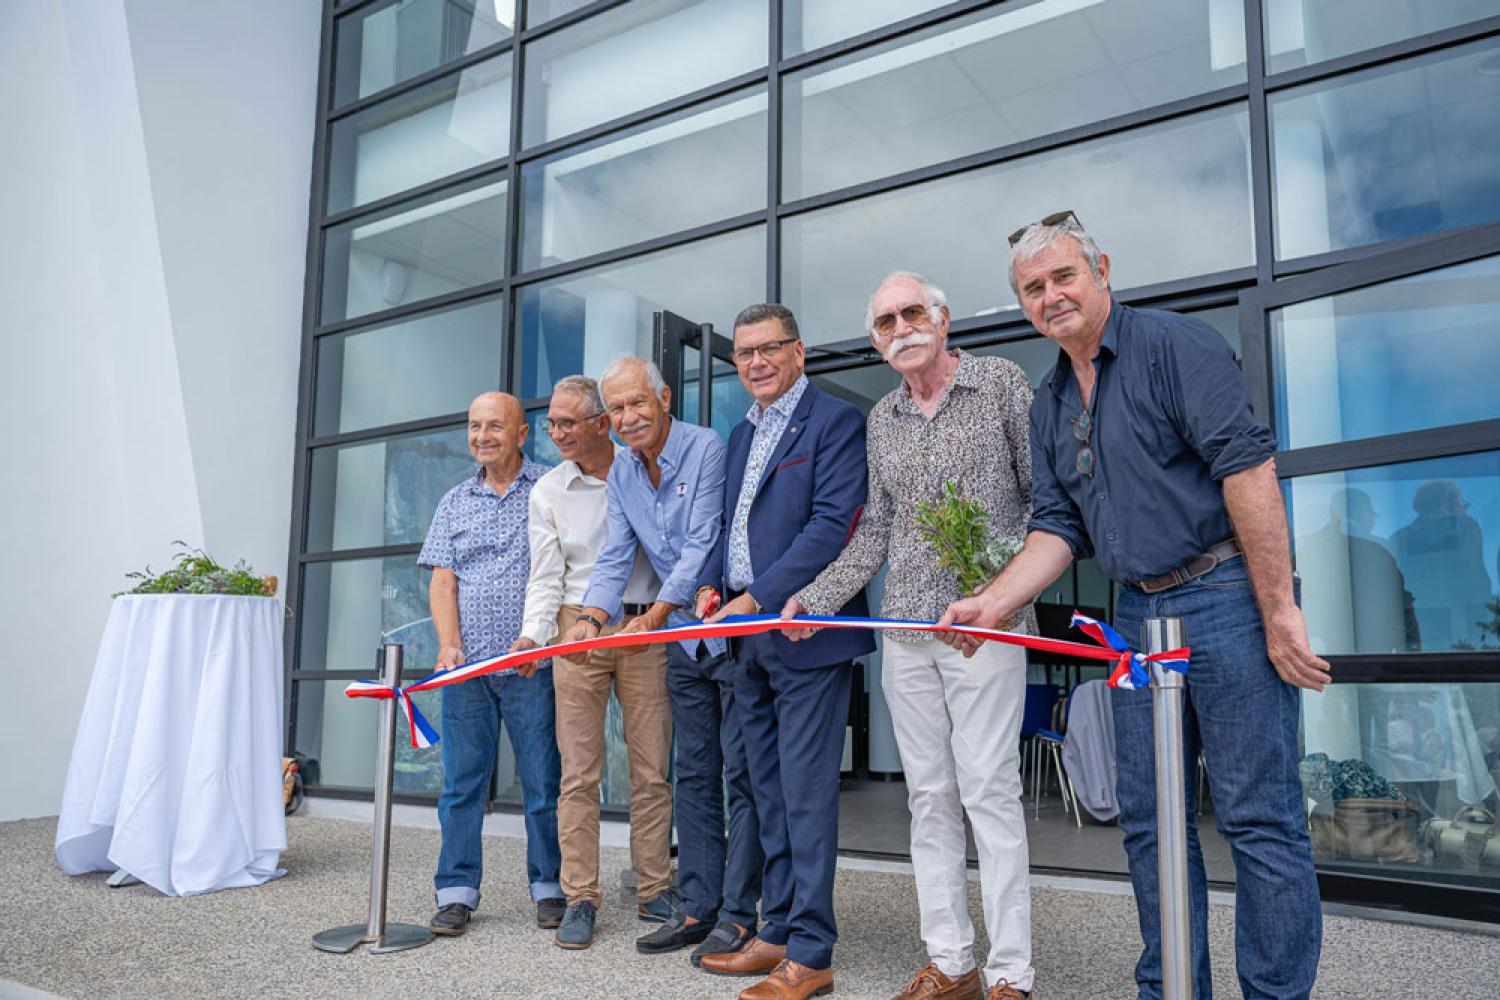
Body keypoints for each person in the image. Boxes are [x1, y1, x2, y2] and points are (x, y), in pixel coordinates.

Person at [939, 212, 1325, 999]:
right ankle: (1172, 989)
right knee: (1150, 823)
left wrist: (1278, 610)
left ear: (1102, 269)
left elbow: (1247, 470)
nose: (1051, 297)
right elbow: (1057, 528)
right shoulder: (1049, 403)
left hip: (1223, 596)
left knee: (1258, 819)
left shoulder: (1175, 347)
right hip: (1133, 619)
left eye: (1063, 277)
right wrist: (994, 602)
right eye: (1033, 289)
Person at [784, 273, 1038, 1000]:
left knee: (989, 791)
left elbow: (1040, 502)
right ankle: (952, 963)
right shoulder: (883, 418)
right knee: (928, 796)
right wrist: (814, 599)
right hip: (906, 632)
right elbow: (878, 534)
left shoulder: (999, 383)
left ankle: (1012, 973)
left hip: (985, 629)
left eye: (912, 312)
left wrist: (996, 596)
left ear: (943, 318)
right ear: (875, 340)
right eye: (886, 320)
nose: (901, 327)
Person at [692, 304, 874, 1000]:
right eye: (744, 354)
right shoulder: (742, 434)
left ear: (800, 352)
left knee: (803, 797)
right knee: (764, 793)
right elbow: (731, 526)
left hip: (805, 635)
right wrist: (715, 584)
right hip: (748, 638)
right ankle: (775, 932)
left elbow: (833, 526)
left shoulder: (834, 422)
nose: (757, 362)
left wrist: (758, 595)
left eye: (770, 349)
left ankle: (813, 952)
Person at [559, 357, 763, 962]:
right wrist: (592, 620)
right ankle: (698, 906)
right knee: (695, 774)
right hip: (681, 642)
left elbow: (704, 539)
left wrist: (652, 616)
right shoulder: (622, 470)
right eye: (616, 409)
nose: (627, 418)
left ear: (664, 398)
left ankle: (739, 911)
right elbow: (616, 553)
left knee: (741, 776)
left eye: (637, 404)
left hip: (726, 630)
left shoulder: (705, 447)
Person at [511, 375, 674, 949]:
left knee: (652, 768)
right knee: (579, 774)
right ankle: (580, 895)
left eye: (567, 423)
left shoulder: (642, 470)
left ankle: (655, 887)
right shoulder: (549, 491)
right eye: (551, 423)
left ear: (601, 424)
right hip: (575, 626)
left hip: (642, 625)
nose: (555, 434)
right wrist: (534, 637)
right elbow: (544, 575)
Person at [417, 391, 564, 937]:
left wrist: (541, 637)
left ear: (522, 433)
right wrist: (448, 644)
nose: (483, 436)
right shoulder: (454, 501)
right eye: (475, 426)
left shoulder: (550, 488)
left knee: (543, 782)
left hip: (533, 666)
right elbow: (442, 579)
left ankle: (549, 887)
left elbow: (565, 572)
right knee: (462, 785)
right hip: (469, 671)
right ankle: (455, 892)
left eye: (494, 426)